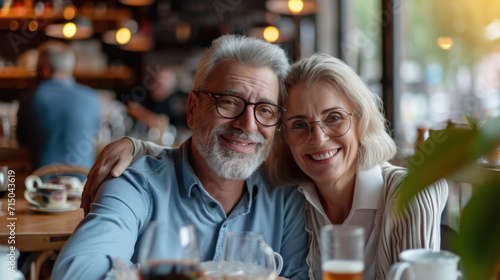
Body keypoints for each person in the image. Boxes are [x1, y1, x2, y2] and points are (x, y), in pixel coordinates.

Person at [81, 53, 448, 280]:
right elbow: (219, 148)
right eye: (300, 124)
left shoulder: (413, 193)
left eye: (334, 118)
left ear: (362, 120)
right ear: (284, 135)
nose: (318, 139)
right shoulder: (295, 193)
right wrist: (140, 146)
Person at [53, 34, 310, 280]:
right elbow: (75, 274)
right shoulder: (135, 183)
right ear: (192, 108)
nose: (247, 125)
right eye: (230, 101)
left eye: (265, 110)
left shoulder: (286, 196)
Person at [16, 40, 102, 169]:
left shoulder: (30, 99)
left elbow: (22, 140)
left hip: (44, 180)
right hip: (84, 180)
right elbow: (94, 135)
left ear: (44, 70)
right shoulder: (92, 97)